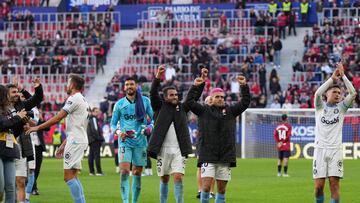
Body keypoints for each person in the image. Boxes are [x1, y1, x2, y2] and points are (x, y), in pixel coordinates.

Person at [26, 74, 91, 203]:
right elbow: (78, 126)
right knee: (74, 176)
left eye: (68, 83)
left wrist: (37, 128)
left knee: (68, 177)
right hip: (78, 138)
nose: (66, 86)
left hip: (76, 140)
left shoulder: (73, 98)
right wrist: (64, 144)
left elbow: (57, 118)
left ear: (72, 85)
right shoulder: (83, 100)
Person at [185, 75, 251, 203]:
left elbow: (245, 102)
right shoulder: (203, 111)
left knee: (221, 190)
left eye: (222, 97)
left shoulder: (231, 111)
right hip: (208, 155)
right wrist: (196, 86)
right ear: (211, 98)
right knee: (205, 188)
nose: (220, 99)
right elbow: (189, 102)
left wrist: (244, 86)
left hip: (226, 156)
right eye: (217, 97)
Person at [147, 65, 206, 203]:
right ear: (165, 97)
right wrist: (157, 78)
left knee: (178, 177)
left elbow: (193, 98)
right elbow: (152, 93)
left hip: (179, 150)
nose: (175, 97)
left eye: (176, 95)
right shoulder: (159, 106)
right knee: (164, 178)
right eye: (172, 95)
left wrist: (200, 84)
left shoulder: (182, 108)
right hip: (162, 149)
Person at [313, 63, 357, 203]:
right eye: (334, 92)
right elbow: (317, 93)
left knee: (334, 184)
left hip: (335, 150)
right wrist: (332, 79)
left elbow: (353, 93)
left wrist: (343, 76)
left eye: (339, 93)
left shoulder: (342, 108)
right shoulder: (320, 107)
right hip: (320, 150)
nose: (338, 95)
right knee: (319, 187)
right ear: (327, 94)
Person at [110, 77, 154, 203]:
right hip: (125, 141)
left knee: (137, 172)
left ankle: (134, 201)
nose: (129, 86)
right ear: (124, 87)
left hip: (141, 142)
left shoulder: (145, 101)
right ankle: (125, 201)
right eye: (127, 84)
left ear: (136, 86)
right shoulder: (119, 104)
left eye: (132, 84)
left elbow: (155, 118)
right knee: (124, 171)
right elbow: (113, 124)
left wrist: (150, 127)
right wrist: (119, 132)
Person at [8, 78, 43, 203]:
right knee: (7, 184)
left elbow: (37, 99)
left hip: (19, 147)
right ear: (6, 94)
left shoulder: (21, 105)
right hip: (4, 148)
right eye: (14, 92)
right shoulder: (2, 108)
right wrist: (18, 118)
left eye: (18, 92)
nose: (17, 94)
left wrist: (38, 87)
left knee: (21, 181)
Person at [0, 84, 28, 203]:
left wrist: (21, 123)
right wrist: (17, 117)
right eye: (6, 94)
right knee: (0, 186)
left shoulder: (8, 110)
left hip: (9, 149)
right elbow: (2, 124)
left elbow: (12, 130)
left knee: (11, 186)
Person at [196, 96, 215, 199]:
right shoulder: (201, 112)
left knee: (214, 167)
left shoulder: (218, 113)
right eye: (208, 100)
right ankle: (200, 190)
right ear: (205, 103)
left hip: (215, 144)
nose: (210, 102)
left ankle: (211, 191)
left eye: (212, 100)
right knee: (200, 167)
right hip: (203, 143)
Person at [87, 107, 105, 176]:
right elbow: (95, 130)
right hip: (95, 140)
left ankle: (91, 171)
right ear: (93, 112)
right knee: (97, 156)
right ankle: (99, 171)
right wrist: (99, 138)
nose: (98, 113)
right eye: (96, 111)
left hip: (91, 140)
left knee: (91, 156)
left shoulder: (90, 119)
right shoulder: (94, 119)